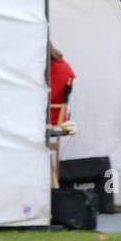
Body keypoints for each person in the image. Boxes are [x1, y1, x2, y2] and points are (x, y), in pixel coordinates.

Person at [48, 42, 76, 188]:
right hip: (55, 114)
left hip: (51, 117)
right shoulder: (62, 66)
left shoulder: (59, 69)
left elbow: (47, 97)